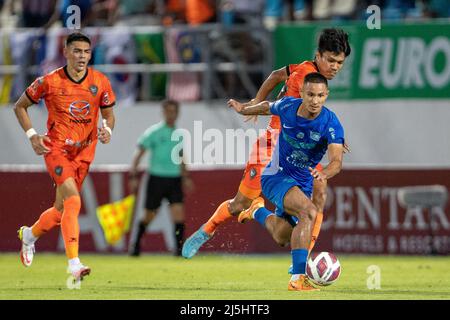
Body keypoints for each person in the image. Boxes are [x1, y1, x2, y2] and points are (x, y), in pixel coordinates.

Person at [182, 28, 350, 259]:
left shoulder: (301, 68)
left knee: (309, 205)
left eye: (339, 62)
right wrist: (258, 105)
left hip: (296, 153)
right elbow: (294, 110)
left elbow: (276, 75)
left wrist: (256, 100)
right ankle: (207, 229)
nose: (334, 67)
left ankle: (304, 258)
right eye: (330, 60)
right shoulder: (305, 77)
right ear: (318, 56)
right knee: (239, 204)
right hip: (273, 146)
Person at [14, 32, 116, 282]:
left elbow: (109, 114)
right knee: (73, 200)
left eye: (86, 52)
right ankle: (74, 264)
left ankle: (29, 235)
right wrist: (32, 135)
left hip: (84, 152)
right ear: (66, 52)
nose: (82, 56)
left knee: (61, 211)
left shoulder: (100, 81)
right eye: (77, 51)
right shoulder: (50, 81)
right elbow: (20, 106)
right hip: (56, 149)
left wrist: (108, 129)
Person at [229, 72, 345, 291]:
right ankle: (298, 278)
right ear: (301, 92)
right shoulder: (288, 106)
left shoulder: (331, 123)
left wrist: (325, 173)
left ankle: (256, 210)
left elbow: (336, 161)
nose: (315, 100)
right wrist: (244, 108)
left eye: (320, 95)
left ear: (326, 95)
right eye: (310, 94)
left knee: (282, 236)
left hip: (302, 182)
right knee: (308, 212)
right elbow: (266, 107)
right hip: (276, 175)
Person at [128, 99, 193, 257]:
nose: (171, 115)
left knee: (178, 214)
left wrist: (186, 176)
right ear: (163, 113)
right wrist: (133, 175)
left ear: (177, 113)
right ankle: (135, 245)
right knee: (149, 215)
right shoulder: (154, 132)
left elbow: (180, 156)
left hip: (174, 179)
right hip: (156, 178)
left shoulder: (179, 135)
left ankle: (179, 250)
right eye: (168, 111)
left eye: (174, 111)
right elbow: (139, 152)